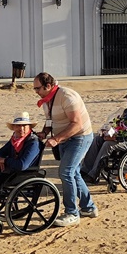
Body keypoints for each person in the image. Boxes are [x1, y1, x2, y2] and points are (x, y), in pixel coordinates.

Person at [35, 72, 97, 227]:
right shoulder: (47, 100)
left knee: (66, 172)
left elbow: (77, 124)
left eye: (37, 88)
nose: (35, 92)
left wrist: (56, 139)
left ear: (48, 86)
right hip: (64, 138)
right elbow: (50, 119)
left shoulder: (67, 96)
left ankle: (72, 213)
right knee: (73, 172)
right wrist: (44, 132)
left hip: (80, 137)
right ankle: (89, 207)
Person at [80, 90, 127, 184]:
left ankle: (94, 174)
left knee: (108, 144)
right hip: (123, 138)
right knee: (97, 139)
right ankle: (85, 170)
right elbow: (118, 125)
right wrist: (108, 132)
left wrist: (115, 138)